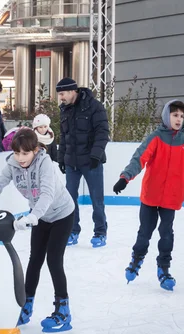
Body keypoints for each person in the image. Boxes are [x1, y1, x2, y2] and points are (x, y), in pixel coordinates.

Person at [113, 100, 184, 291]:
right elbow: (139, 158)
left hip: (171, 199)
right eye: (175, 115)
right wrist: (125, 177)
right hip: (150, 196)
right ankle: (136, 260)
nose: (179, 119)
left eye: (181, 116)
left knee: (166, 234)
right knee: (145, 232)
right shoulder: (155, 138)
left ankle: (164, 269)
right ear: (167, 116)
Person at [0, 128, 75, 333]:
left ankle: (63, 311)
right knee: (34, 260)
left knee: (54, 260)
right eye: (17, 153)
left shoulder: (44, 163)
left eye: (25, 153)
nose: (20, 158)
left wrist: (32, 217)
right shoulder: (12, 164)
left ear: (35, 150)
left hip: (62, 213)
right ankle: (26, 306)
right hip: (40, 216)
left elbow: (47, 193)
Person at [56, 77, 110, 248]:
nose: (61, 98)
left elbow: (103, 132)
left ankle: (100, 232)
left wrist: (96, 155)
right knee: (69, 199)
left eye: (62, 94)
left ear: (73, 91)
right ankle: (72, 231)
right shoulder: (65, 109)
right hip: (72, 162)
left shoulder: (94, 106)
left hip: (91, 161)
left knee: (97, 199)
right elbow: (64, 137)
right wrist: (61, 158)